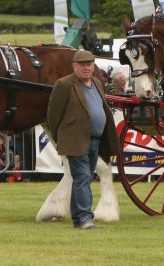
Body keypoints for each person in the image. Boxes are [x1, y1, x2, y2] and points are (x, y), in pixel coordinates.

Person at [47, 49, 119, 229]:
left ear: (94, 66)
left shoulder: (96, 82)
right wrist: (63, 136)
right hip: (76, 140)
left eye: (89, 64)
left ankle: (79, 219)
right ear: (74, 66)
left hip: (95, 139)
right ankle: (85, 219)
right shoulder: (64, 84)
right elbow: (53, 115)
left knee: (84, 179)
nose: (86, 68)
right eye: (82, 65)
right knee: (82, 177)